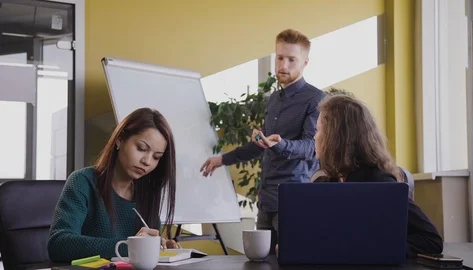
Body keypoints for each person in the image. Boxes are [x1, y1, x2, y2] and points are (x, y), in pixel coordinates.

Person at [200, 29, 326, 252]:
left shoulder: (316, 99)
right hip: (266, 198)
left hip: (293, 200)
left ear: (305, 62)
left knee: (293, 261)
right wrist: (223, 160)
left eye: (291, 59)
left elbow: (311, 148)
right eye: (279, 57)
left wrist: (280, 144)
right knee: (261, 261)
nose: (283, 65)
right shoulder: (274, 100)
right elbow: (262, 146)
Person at [312, 94, 443, 257]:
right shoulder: (324, 184)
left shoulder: (380, 183)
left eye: (318, 130)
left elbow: (431, 240)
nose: (314, 137)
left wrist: (374, 249)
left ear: (335, 137)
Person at [48, 108, 181, 262]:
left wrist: (158, 247)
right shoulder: (82, 182)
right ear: (119, 139)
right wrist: (130, 246)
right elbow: (58, 244)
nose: (147, 161)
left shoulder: (146, 195)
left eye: (157, 157)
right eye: (141, 148)